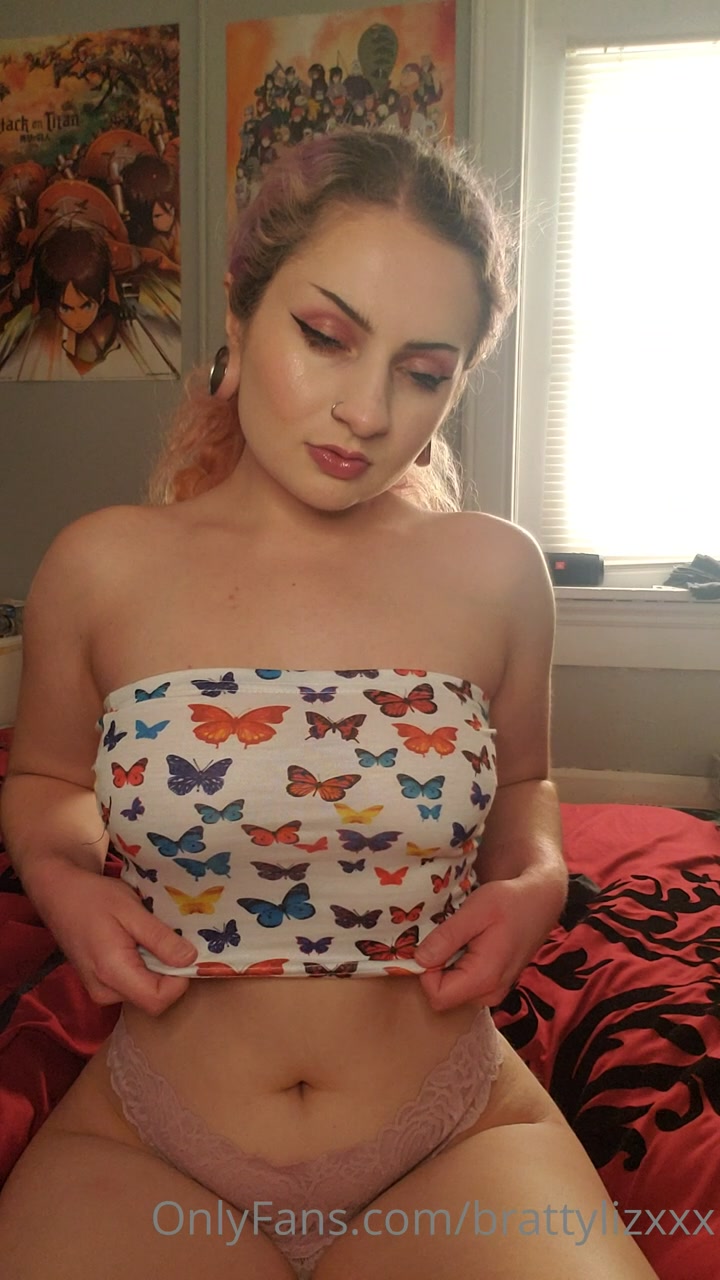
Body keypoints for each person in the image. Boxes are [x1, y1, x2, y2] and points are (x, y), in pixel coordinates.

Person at [0, 129, 658, 1280]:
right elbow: (49, 779)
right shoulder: (99, 567)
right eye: (326, 336)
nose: (366, 409)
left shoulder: (499, 573)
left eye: (423, 370)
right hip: (153, 1141)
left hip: (452, 1133)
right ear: (241, 309)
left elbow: (525, 785)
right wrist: (63, 879)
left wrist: (538, 880)